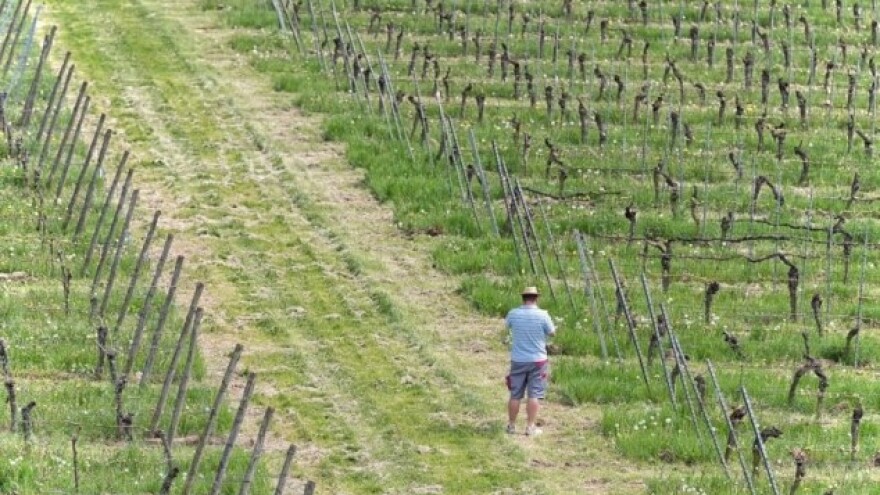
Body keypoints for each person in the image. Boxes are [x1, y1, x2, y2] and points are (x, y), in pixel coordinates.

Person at [505, 286, 555, 436]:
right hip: (538, 360)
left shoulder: (514, 313)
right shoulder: (543, 315)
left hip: (518, 359)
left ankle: (511, 425)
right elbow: (552, 333)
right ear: (536, 298)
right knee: (534, 394)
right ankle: (530, 427)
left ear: (523, 298)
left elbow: (507, 326)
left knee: (515, 394)